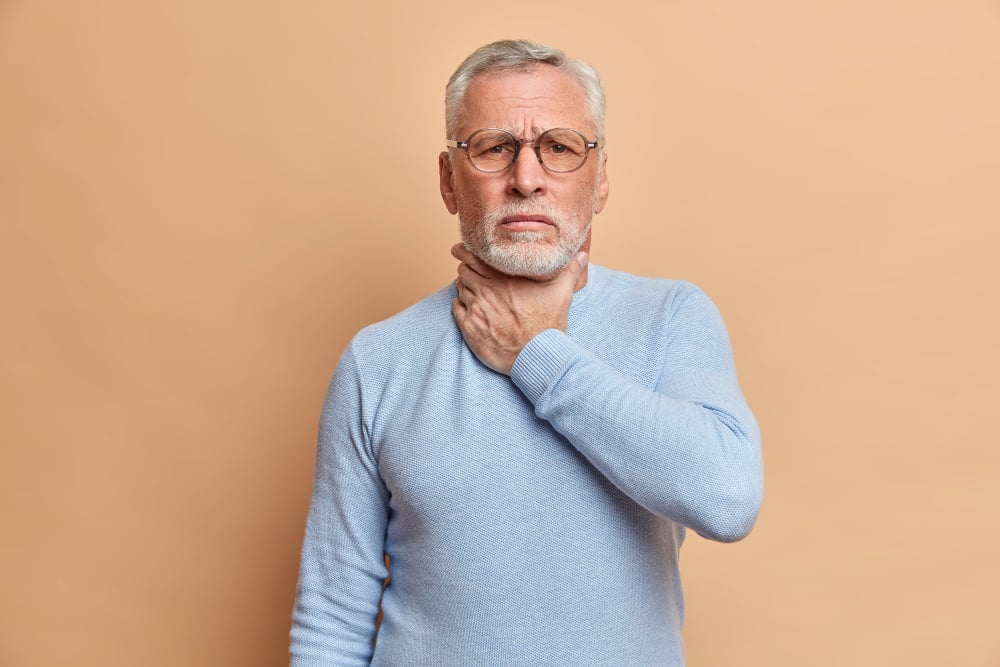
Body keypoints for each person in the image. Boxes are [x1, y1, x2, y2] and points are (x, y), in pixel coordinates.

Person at [290, 39, 763, 666]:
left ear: (600, 182)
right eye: (494, 148)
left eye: (560, 148)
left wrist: (537, 353)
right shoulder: (378, 361)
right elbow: (331, 619)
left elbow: (727, 499)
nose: (527, 178)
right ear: (448, 180)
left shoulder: (669, 319)